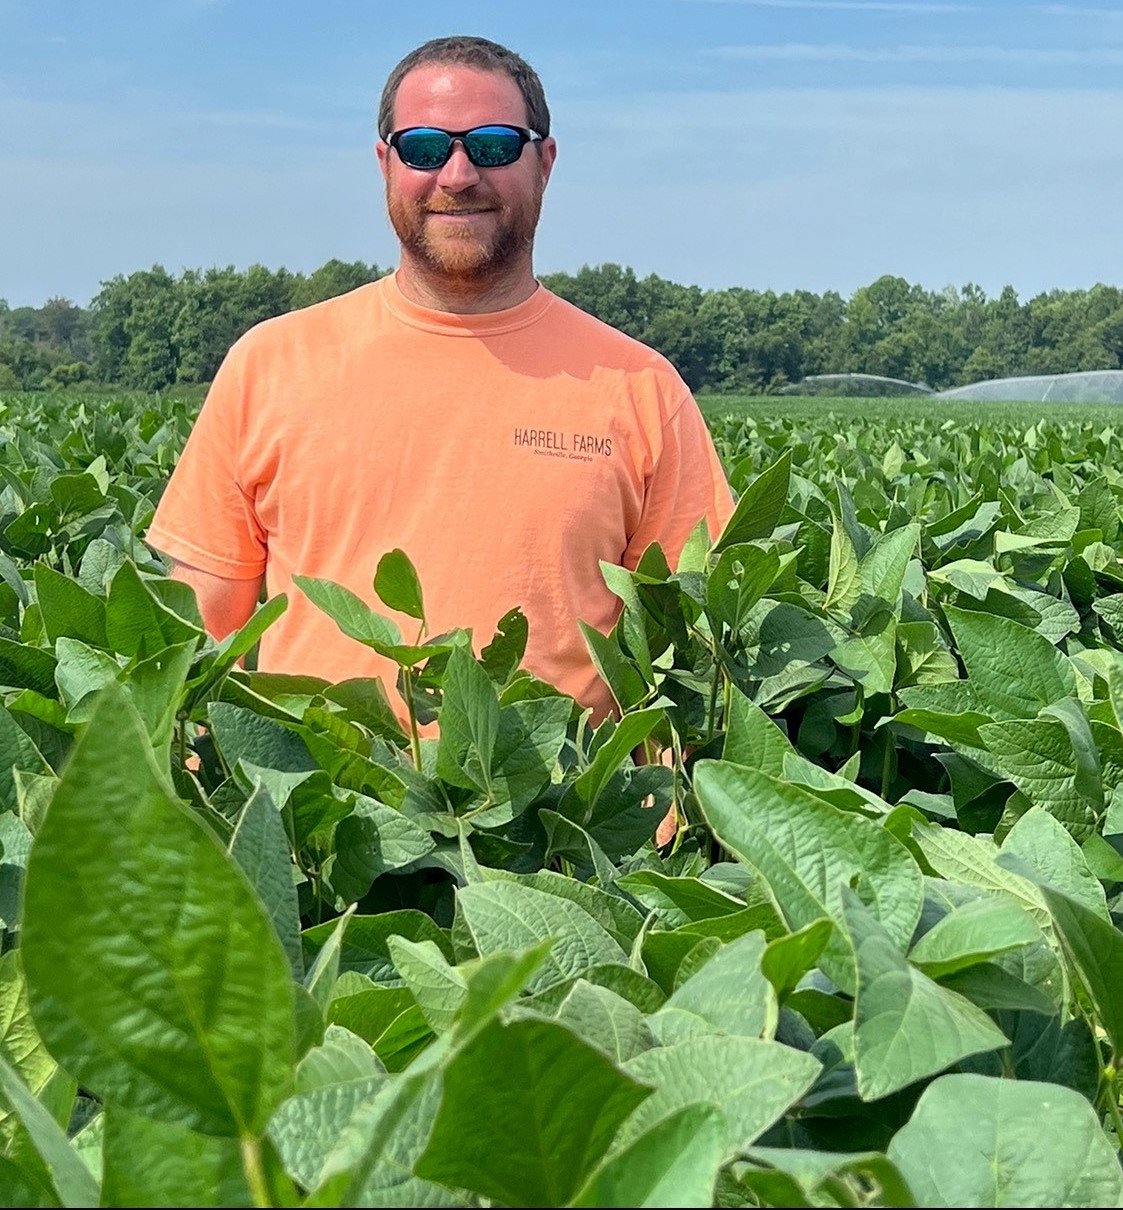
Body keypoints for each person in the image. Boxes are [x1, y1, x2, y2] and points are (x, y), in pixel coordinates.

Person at [147, 35, 734, 721]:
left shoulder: (641, 387)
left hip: (555, 819)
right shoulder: (269, 364)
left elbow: (686, 659)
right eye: (424, 148)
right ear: (385, 164)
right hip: (312, 811)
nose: (457, 175)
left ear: (544, 162)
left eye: (492, 145)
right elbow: (195, 644)